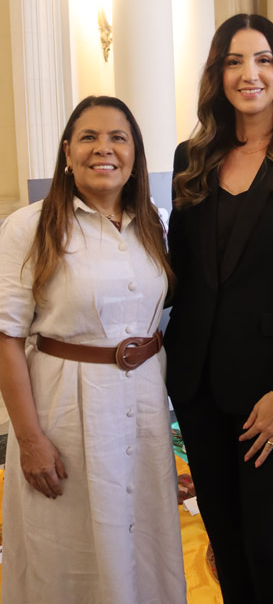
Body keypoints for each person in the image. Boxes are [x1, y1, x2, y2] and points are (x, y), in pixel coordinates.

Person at [164, 13, 273, 604]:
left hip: (272, 385)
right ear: (217, 75)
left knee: (269, 541)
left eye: (263, 59)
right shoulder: (191, 158)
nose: (249, 74)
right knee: (225, 536)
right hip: (197, 381)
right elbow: (180, 273)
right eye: (235, 61)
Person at [0, 96, 186, 604]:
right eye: (89, 137)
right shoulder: (29, 227)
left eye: (118, 138)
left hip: (144, 405)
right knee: (67, 544)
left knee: (140, 539)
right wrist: (31, 439)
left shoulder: (156, 222)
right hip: (64, 410)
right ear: (67, 151)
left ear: (135, 154)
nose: (103, 149)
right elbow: (6, 339)